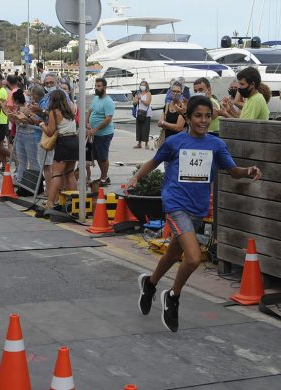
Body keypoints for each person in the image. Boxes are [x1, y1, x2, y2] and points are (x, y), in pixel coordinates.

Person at [127, 95, 262, 332]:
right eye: (198, 116)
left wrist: (248, 170)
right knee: (193, 257)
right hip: (176, 204)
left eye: (207, 116)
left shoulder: (216, 145)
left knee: (172, 254)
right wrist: (136, 177)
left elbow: (233, 171)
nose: (203, 120)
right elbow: (154, 161)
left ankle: (150, 284)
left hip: (197, 208)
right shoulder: (175, 142)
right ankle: (173, 297)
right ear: (187, 118)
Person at [39, 90, 79, 208]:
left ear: (52, 100)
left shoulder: (54, 112)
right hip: (74, 141)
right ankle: (74, 202)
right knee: (70, 173)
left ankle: (50, 202)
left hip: (63, 143)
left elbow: (50, 132)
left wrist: (42, 124)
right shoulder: (71, 110)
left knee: (56, 174)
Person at [86, 77, 115, 186]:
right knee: (97, 156)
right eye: (96, 86)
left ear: (104, 87)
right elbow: (89, 111)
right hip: (94, 133)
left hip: (104, 134)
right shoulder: (96, 98)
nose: (96, 88)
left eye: (99, 86)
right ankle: (104, 177)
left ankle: (104, 179)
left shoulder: (108, 102)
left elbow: (108, 119)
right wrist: (87, 123)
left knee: (103, 157)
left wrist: (95, 129)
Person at [133, 80, 153, 149]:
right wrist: (136, 98)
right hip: (139, 112)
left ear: (146, 86)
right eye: (141, 85)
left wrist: (141, 99)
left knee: (146, 128)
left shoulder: (148, 94)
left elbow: (147, 103)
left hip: (146, 113)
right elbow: (134, 103)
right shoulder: (137, 94)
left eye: (144, 85)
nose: (142, 86)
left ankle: (146, 143)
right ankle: (139, 143)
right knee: (139, 128)